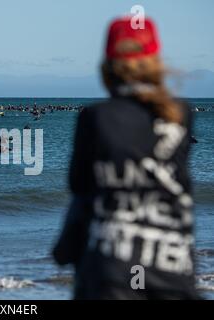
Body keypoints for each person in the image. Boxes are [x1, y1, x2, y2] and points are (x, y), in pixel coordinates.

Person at [53, 17, 198, 299]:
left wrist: (66, 248)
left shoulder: (96, 117)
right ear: (155, 62)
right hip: (172, 265)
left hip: (111, 268)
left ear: (108, 67)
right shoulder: (181, 114)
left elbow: (79, 186)